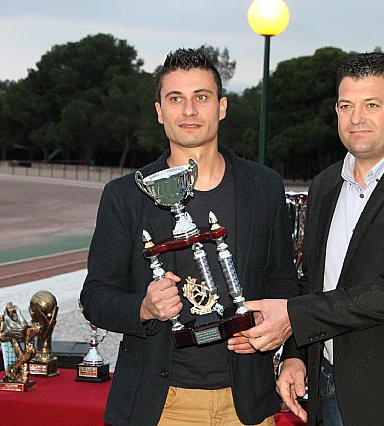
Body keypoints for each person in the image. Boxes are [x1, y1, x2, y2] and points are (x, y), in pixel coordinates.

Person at [243, 53, 384, 425]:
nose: (356, 119)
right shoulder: (325, 185)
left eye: (371, 105)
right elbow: (315, 281)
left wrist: (292, 316)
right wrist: (296, 353)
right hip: (330, 391)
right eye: (346, 105)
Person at [80, 48, 300, 425]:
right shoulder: (126, 195)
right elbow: (95, 296)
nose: (189, 110)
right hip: (162, 404)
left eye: (201, 97)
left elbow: (284, 280)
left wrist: (294, 352)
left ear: (222, 106)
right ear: (159, 111)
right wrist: (144, 308)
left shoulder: (263, 186)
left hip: (246, 402)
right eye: (175, 99)